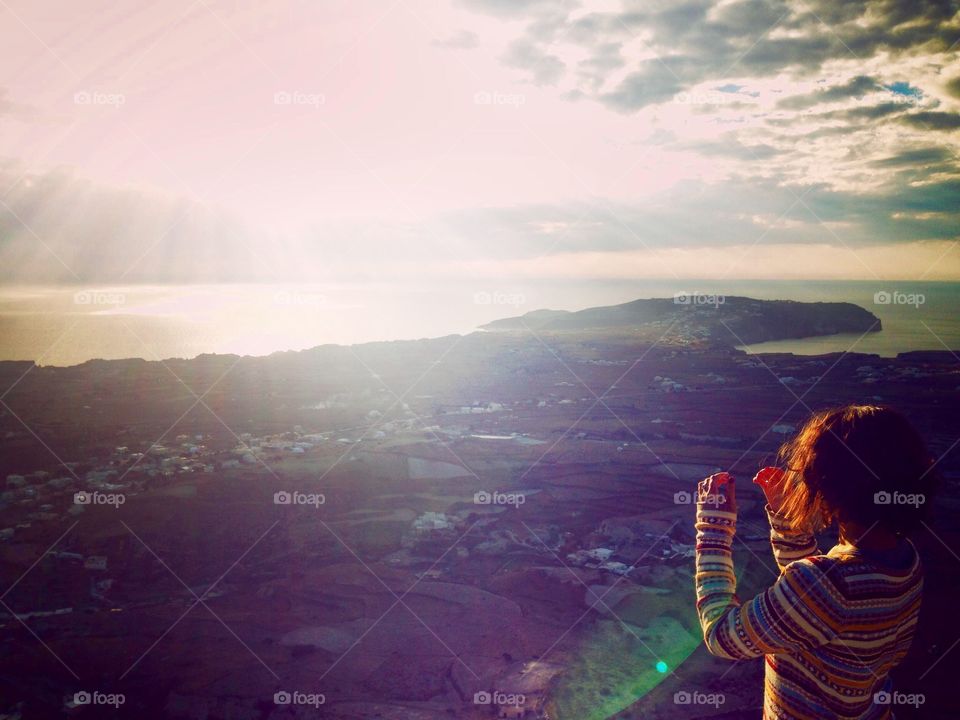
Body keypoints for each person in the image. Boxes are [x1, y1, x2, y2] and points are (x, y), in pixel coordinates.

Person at [694, 404, 938, 719]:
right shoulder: (904, 560)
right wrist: (786, 521)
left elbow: (722, 637)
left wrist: (712, 530)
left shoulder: (829, 583)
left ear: (827, 487)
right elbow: (814, 614)